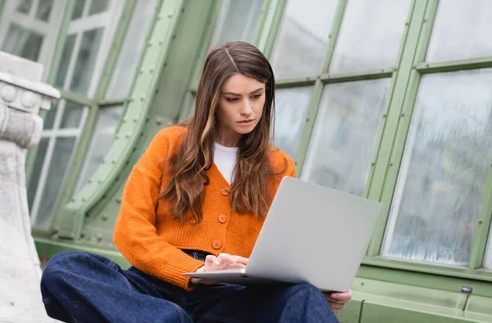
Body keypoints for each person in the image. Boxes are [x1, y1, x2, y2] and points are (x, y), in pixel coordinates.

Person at [40, 41, 352, 322]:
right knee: (63, 268)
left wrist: (324, 289)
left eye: (257, 96)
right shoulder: (169, 143)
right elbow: (130, 231)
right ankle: (166, 319)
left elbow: (285, 257)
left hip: (231, 297)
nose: (248, 110)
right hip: (154, 287)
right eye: (233, 99)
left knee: (305, 297)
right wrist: (193, 270)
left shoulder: (279, 166)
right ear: (212, 99)